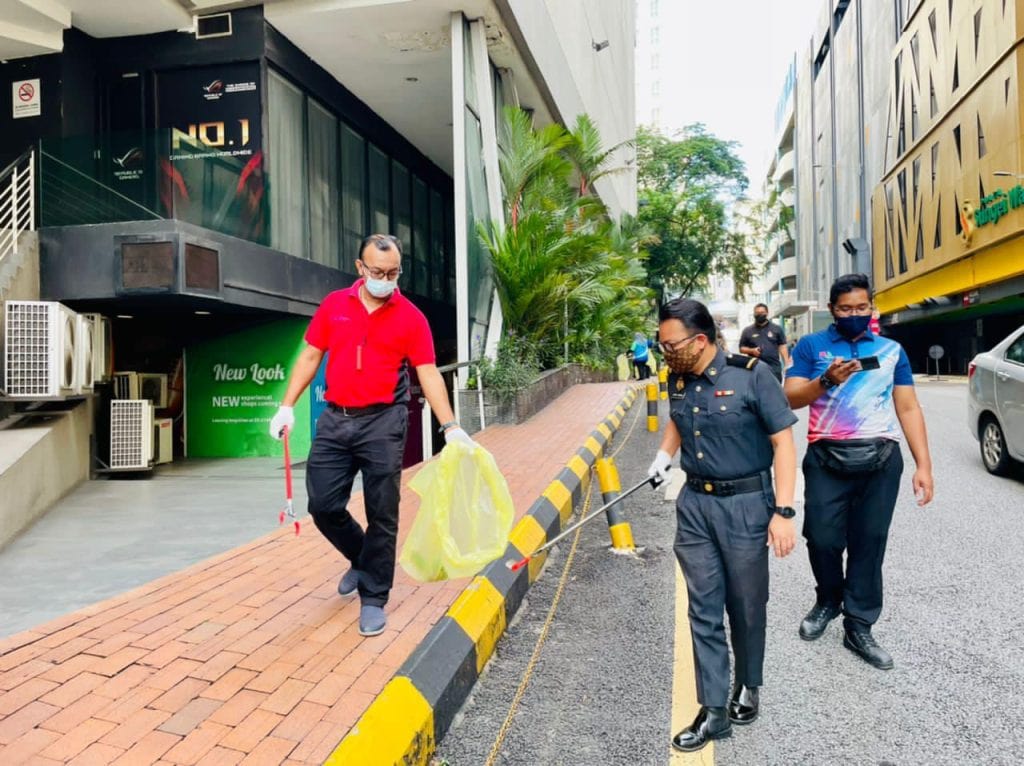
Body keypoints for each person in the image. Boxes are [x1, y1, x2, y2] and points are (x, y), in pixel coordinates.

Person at [269, 234, 474, 637]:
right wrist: (286, 406)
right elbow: (310, 354)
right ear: (360, 267)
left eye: (393, 273)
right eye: (378, 272)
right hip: (336, 418)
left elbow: (428, 372)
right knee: (323, 505)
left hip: (384, 422)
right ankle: (362, 558)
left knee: (383, 512)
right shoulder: (335, 305)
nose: (385, 280)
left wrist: (450, 426)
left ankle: (374, 596)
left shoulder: (411, 317)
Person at [647, 298, 798, 753]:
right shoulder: (677, 377)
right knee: (703, 608)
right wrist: (664, 456)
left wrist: (784, 512)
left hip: (746, 504)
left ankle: (748, 683)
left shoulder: (752, 376)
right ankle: (713, 709)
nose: (665, 353)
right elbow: (679, 420)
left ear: (699, 340)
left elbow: (783, 443)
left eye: (670, 345)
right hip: (695, 505)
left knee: (747, 605)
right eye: (661, 345)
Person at [783, 273, 934, 670]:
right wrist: (825, 380)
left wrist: (924, 465)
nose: (854, 314)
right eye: (846, 309)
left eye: (862, 307)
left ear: (872, 307)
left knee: (869, 542)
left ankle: (859, 625)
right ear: (832, 309)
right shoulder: (811, 346)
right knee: (822, 538)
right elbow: (791, 397)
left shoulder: (891, 350)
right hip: (826, 458)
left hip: (880, 461)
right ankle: (828, 599)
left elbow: (907, 407)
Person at [739, 303, 790, 382]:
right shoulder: (747, 331)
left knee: (774, 388)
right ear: (754, 314)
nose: (759, 315)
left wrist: (786, 364)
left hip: (773, 367)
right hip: (755, 367)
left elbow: (782, 346)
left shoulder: (777, 329)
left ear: (767, 313)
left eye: (762, 312)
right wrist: (752, 351)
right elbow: (741, 348)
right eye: (757, 313)